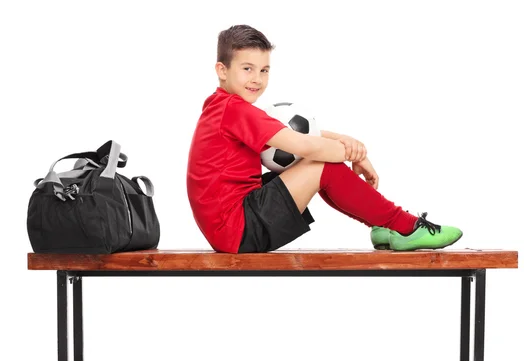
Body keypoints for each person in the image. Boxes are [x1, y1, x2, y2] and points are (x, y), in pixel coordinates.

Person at [186, 24, 462, 254]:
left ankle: (385, 227)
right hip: (237, 229)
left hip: (231, 226)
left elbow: (292, 135)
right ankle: (406, 226)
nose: (257, 79)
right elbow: (305, 145)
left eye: (264, 70)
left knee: (313, 162)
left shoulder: (224, 107)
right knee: (321, 165)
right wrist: (353, 154)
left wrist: (344, 141)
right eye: (247, 69)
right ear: (222, 70)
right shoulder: (233, 109)